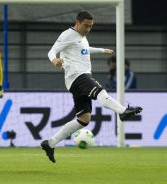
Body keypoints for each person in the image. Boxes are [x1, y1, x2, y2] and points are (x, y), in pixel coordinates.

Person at [41, 10, 142, 163]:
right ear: (78, 22)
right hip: (77, 76)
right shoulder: (67, 35)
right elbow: (52, 51)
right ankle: (122, 111)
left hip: (76, 79)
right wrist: (55, 60)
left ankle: (50, 143)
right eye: (86, 26)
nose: (88, 29)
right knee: (99, 91)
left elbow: (83, 50)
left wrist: (102, 50)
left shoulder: (81, 37)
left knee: (84, 119)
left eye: (90, 26)